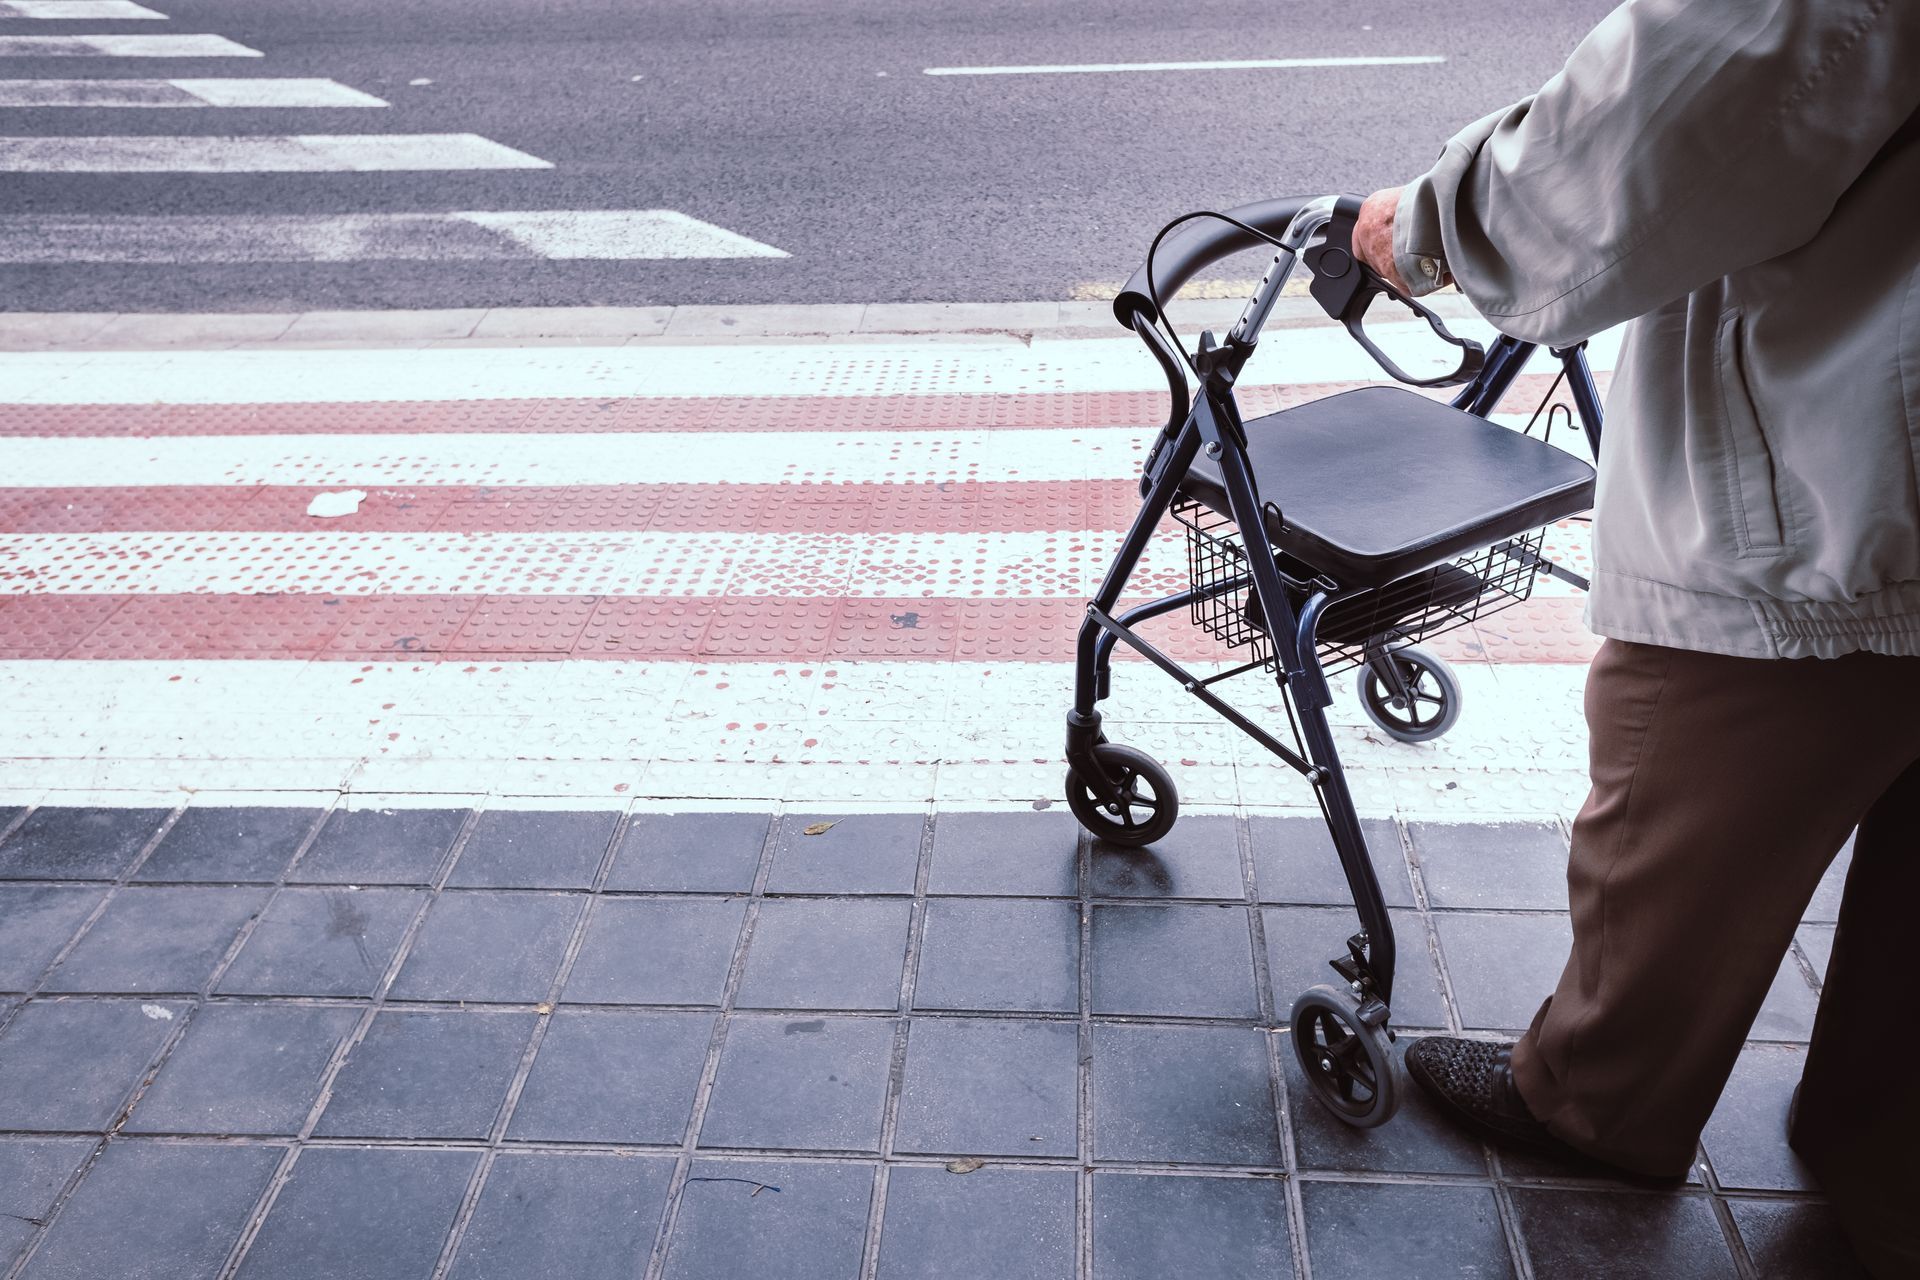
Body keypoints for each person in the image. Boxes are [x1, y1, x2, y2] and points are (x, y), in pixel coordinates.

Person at [1344, 2, 1920, 1274]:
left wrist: (1430, 226)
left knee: (1677, 793)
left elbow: (1667, 125)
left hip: (1857, 487)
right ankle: (1884, 1138)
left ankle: (1597, 1098)